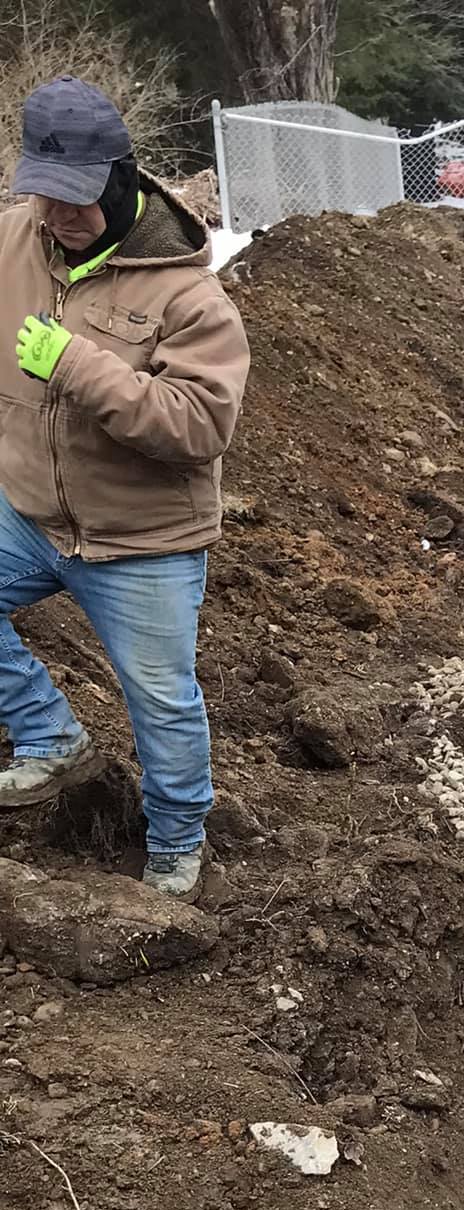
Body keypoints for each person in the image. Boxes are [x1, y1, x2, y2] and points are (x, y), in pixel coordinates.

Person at [0, 76, 250, 900]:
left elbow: (198, 428)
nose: (59, 215)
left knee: (162, 703)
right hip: (31, 514)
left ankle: (176, 844)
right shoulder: (13, 242)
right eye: (44, 194)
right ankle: (50, 737)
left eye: (77, 198)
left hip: (140, 539)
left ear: (121, 176)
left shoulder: (186, 292)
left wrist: (78, 368)